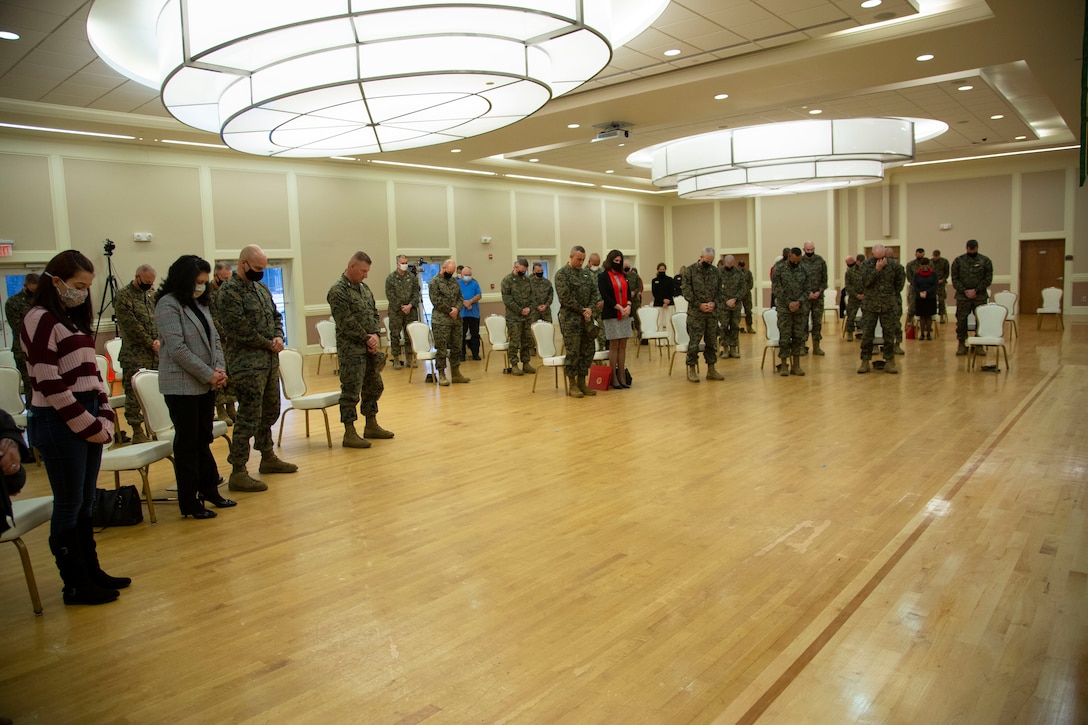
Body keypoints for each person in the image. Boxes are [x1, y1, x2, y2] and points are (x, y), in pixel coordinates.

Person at [22, 250, 126, 605]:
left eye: (87, 287)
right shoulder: (39, 319)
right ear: (57, 282)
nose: (83, 293)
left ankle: (91, 570)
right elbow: (47, 381)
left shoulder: (69, 319)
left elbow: (95, 375)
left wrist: (106, 415)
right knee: (69, 504)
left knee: (84, 503)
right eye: (78, 285)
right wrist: (88, 425)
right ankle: (75, 582)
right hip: (58, 421)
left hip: (85, 416)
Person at [154, 255, 234, 519]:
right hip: (181, 385)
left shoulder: (200, 303)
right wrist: (209, 374)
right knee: (188, 443)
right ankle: (189, 502)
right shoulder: (168, 304)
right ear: (184, 279)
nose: (202, 286)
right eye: (198, 281)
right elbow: (177, 349)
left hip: (205, 383)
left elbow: (215, 340)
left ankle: (210, 490)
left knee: (203, 439)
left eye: (204, 282)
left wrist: (218, 369)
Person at [217, 244, 297, 492]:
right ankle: (238, 470)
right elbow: (238, 329)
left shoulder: (261, 288)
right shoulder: (229, 292)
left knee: (270, 411)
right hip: (246, 365)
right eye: (258, 268)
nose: (261, 272)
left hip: (268, 362)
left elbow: (276, 316)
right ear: (243, 264)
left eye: (264, 268)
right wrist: (267, 343)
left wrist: (278, 336)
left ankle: (268, 456)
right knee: (249, 417)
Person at [328, 252, 392, 449]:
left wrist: (374, 334)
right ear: (352, 267)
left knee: (374, 386)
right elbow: (346, 321)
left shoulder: (364, 289)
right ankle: (349, 432)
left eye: (367, 271)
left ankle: (371, 424)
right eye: (363, 271)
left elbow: (374, 312)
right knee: (351, 391)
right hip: (351, 350)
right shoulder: (338, 291)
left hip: (369, 348)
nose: (366, 275)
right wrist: (366, 338)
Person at [114, 264, 159, 443]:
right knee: (134, 395)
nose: (149, 285)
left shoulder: (150, 296)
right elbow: (132, 327)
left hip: (155, 354)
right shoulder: (123, 297)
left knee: (154, 393)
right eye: (146, 281)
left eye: (151, 282)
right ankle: (137, 430)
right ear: (137, 277)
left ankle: (155, 427)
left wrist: (158, 340)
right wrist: (151, 343)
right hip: (134, 355)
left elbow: (157, 320)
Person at [554, 245, 600, 398]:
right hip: (570, 320)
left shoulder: (587, 275)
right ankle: (572, 384)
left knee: (587, 351)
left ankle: (582, 382)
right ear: (571, 256)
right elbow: (565, 298)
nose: (581, 262)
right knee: (573, 352)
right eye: (578, 259)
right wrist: (582, 310)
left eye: (583, 260)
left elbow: (595, 293)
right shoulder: (562, 274)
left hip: (586, 319)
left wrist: (590, 309)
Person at [857, 244, 904, 374]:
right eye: (877, 258)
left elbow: (899, 283)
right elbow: (864, 283)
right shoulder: (866, 265)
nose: (881, 260)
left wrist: (890, 295)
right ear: (872, 255)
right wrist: (876, 270)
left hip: (888, 304)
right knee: (867, 334)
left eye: (882, 257)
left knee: (889, 333)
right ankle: (865, 361)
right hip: (870, 305)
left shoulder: (894, 266)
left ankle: (889, 361)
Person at [681, 247, 723, 383]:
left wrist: (713, 303)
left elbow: (720, 292)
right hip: (696, 314)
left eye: (711, 262)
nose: (709, 264)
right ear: (701, 257)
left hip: (711, 314)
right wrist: (699, 304)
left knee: (712, 342)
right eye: (707, 261)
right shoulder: (690, 271)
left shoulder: (716, 272)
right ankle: (692, 369)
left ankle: (711, 369)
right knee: (694, 343)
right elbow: (687, 292)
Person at [429, 259, 470, 386]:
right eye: (449, 271)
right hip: (441, 321)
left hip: (456, 320)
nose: (450, 274)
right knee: (441, 349)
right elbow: (436, 300)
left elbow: (460, 297)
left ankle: (456, 373)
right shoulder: (434, 282)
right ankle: (441, 374)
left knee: (456, 347)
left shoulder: (454, 282)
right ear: (443, 268)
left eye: (452, 272)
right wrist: (450, 310)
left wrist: (457, 308)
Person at [951, 239, 993, 356]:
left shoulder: (985, 261)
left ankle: (979, 344)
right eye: (970, 248)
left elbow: (988, 279)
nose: (972, 250)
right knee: (961, 320)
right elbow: (955, 279)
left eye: (974, 248)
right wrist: (965, 290)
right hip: (962, 296)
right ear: (967, 248)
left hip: (979, 296)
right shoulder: (958, 261)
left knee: (981, 320)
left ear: (977, 248)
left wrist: (976, 290)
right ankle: (961, 344)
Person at [772, 247, 810, 376]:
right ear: (789, 256)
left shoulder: (804, 269)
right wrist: (789, 302)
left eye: (798, 261)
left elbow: (807, 289)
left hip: (800, 309)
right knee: (785, 337)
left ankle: (796, 365)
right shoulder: (779, 269)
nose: (796, 263)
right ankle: (784, 365)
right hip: (784, 309)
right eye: (794, 261)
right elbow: (776, 289)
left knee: (798, 337)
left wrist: (799, 302)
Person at [599, 249, 633, 389]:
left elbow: (629, 293)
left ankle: (622, 375)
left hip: (625, 313)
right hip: (612, 313)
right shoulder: (603, 276)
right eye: (615, 261)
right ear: (610, 260)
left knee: (623, 345)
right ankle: (613, 376)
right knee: (614, 345)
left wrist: (629, 306)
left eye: (620, 261)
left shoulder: (622, 275)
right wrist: (619, 307)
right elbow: (606, 295)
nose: (618, 263)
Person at [208, 261, 237, 425]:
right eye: (223, 279)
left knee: (231, 375)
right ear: (215, 276)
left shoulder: (229, 292)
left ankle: (232, 406)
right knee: (219, 374)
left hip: (230, 342)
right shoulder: (207, 293)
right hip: (215, 341)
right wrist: (225, 334)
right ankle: (220, 409)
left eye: (229, 279)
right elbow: (211, 318)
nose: (226, 282)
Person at [4, 272, 38, 398]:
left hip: (41, 347)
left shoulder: (41, 300)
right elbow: (18, 327)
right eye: (33, 289)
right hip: (22, 349)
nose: (35, 292)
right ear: (25, 285)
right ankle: (31, 412)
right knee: (30, 384)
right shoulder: (13, 302)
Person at [501, 258, 536, 377]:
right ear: (516, 267)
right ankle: (514, 365)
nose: (523, 273)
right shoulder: (507, 280)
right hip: (514, 317)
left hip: (527, 317)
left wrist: (529, 308)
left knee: (527, 341)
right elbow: (507, 299)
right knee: (514, 341)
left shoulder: (527, 280)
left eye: (525, 271)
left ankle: (526, 363)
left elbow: (532, 296)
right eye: (521, 270)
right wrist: (520, 310)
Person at [386, 254, 421, 370]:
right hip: (396, 311)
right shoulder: (391, 278)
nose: (404, 265)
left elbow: (416, 293)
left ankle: (410, 358)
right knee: (395, 335)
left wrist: (410, 305)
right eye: (402, 263)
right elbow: (390, 295)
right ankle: (396, 358)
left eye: (406, 263)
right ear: (397, 263)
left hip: (410, 311)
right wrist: (402, 307)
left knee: (409, 336)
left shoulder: (412, 278)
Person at [800, 241, 828, 355]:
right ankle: (802, 346)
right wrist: (807, 293)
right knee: (803, 322)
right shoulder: (800, 262)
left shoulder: (820, 261)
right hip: (805, 298)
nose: (810, 252)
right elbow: (798, 281)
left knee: (817, 322)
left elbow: (824, 280)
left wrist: (819, 292)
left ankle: (817, 346)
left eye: (812, 250)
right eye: (808, 250)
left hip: (818, 298)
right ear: (804, 249)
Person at [717, 255, 745, 359]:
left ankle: (733, 348)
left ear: (733, 263)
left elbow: (743, 288)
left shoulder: (739, 273)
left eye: (731, 264)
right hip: (723, 306)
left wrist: (735, 299)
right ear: (724, 263)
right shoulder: (719, 273)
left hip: (735, 305)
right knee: (724, 326)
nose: (729, 266)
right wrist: (726, 300)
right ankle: (725, 348)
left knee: (735, 326)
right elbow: (716, 289)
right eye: (727, 264)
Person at [459, 265, 483, 361]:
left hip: (474, 314)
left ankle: (475, 354)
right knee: (461, 335)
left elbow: (479, 295)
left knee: (475, 335)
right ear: (461, 275)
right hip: (462, 314)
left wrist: (471, 301)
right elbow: (455, 296)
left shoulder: (475, 283)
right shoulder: (457, 284)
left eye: (469, 275)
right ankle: (462, 354)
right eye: (466, 275)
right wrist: (465, 302)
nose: (468, 276)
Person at [912, 257, 938, 340]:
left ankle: (929, 334)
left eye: (926, 265)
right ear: (920, 266)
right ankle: (922, 334)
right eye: (923, 266)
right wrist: (920, 292)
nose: (924, 267)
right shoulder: (916, 275)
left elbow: (935, 286)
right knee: (922, 317)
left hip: (930, 297)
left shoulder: (934, 274)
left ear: (929, 265)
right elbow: (915, 286)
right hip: (920, 298)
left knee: (929, 316)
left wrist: (927, 292)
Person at [843, 255, 864, 339]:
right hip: (853, 297)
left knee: (867, 316)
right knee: (851, 315)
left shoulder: (867, 271)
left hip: (865, 297)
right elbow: (848, 285)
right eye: (860, 261)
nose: (861, 263)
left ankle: (865, 332)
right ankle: (850, 333)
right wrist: (856, 294)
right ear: (857, 261)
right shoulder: (850, 272)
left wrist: (864, 294)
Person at [905, 247, 925, 323]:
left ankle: (925, 324)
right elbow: (909, 277)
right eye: (918, 254)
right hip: (914, 288)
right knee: (912, 307)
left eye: (921, 254)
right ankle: (910, 323)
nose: (920, 255)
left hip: (925, 288)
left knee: (925, 308)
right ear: (915, 254)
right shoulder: (910, 264)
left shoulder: (928, 263)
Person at [624, 261, 643, 342]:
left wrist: (634, 292)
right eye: (625, 266)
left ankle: (641, 336)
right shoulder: (620, 276)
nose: (626, 268)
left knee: (638, 318)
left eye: (628, 266)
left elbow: (639, 286)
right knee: (624, 320)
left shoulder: (635, 276)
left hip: (635, 301)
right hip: (624, 302)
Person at [931, 248, 950, 323]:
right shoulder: (930, 262)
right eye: (934, 256)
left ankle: (942, 316)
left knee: (941, 300)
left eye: (937, 256)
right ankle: (932, 316)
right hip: (932, 284)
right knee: (932, 300)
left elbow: (947, 273)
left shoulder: (944, 262)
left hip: (941, 284)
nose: (935, 257)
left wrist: (943, 279)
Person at [738, 260, 755, 333]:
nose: (741, 268)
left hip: (747, 295)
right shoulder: (736, 273)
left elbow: (751, 283)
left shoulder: (748, 272)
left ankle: (749, 327)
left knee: (748, 311)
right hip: (738, 295)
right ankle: (736, 327)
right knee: (737, 312)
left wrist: (745, 291)